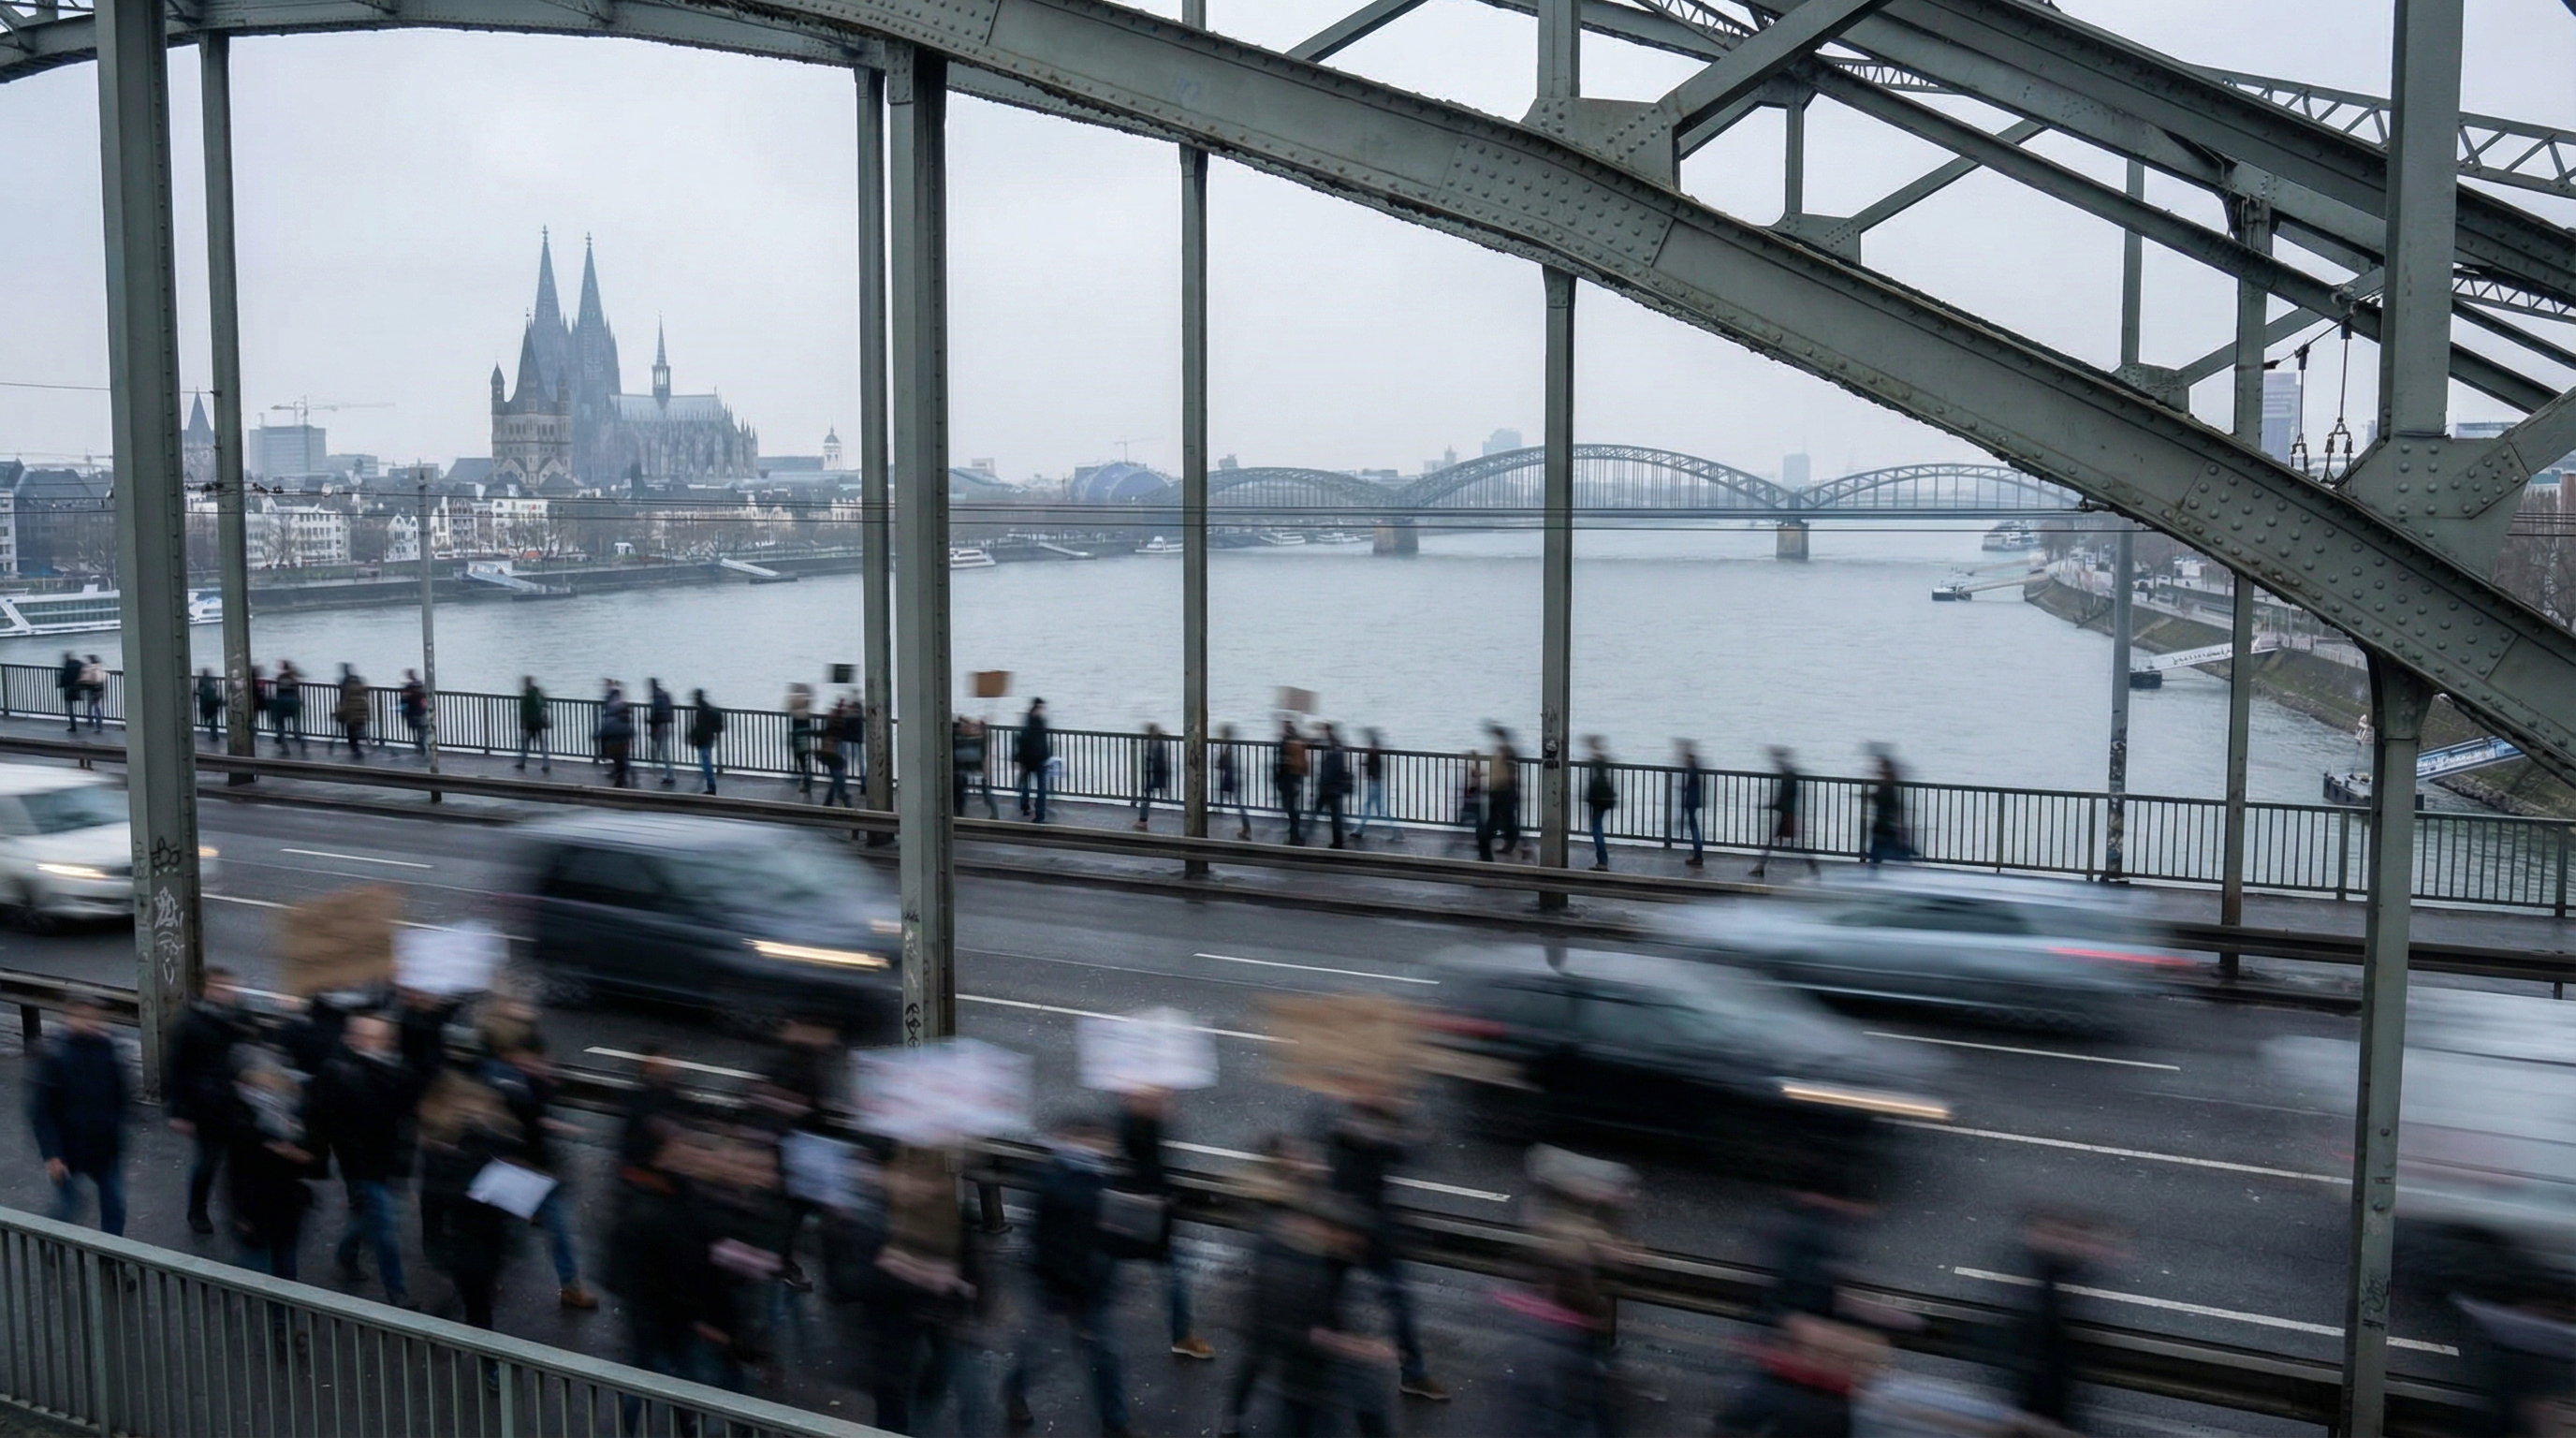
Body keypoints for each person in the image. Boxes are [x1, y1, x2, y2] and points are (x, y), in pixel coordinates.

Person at [1002, 1117, 1129, 1434]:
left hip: (1078, 1285)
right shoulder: (1071, 1182)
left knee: (1093, 1355)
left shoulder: (1079, 1176)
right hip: (1065, 1286)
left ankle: (1115, 1422)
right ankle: (1114, 1423)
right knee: (1067, 1352)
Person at [1319, 1087, 1445, 1401]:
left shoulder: (1344, 1119)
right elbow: (1402, 1150)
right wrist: (1414, 1127)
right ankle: (1413, 1373)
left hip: (1345, 1226)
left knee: (1331, 1297)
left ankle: (1319, 1364)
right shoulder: (1360, 1126)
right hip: (1365, 1229)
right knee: (1397, 1299)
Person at [310, 1014, 423, 1308]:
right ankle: (396, 1291)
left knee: (372, 1217)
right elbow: (333, 1126)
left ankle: (347, 1252)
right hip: (365, 1166)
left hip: (388, 1162)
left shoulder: (396, 1070)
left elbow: (405, 1120)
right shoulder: (344, 1073)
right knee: (385, 1226)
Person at [481, 1032, 597, 1310]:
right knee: (516, 1234)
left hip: (537, 1173)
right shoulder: (508, 1086)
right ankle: (491, 1276)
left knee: (553, 1231)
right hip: (519, 1171)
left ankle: (570, 1286)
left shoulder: (533, 1083)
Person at [1112, 1087, 1215, 1361]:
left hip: (1145, 1211)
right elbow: (1139, 1151)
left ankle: (1182, 1335)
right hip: (1141, 1211)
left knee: (1116, 1267)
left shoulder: (1141, 1120)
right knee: (1173, 1275)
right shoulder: (1131, 1124)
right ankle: (1181, 1336)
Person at [27, 995, 129, 1235]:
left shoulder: (107, 1048)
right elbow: (41, 1112)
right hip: (68, 1149)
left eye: (95, 1018)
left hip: (102, 1146)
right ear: (70, 1019)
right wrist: (52, 1155)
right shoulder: (55, 1057)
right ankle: (51, 1238)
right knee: (70, 1206)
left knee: (114, 1205)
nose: (91, 1023)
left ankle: (111, 1259)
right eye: (84, 1018)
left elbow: (119, 1095)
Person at [168, 967, 253, 1236]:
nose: (226, 993)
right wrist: (179, 1112)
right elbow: (177, 1069)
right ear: (206, 988)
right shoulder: (191, 1024)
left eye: (229, 987)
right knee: (208, 1161)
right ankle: (197, 1210)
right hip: (207, 1106)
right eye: (220, 987)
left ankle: (238, 1212)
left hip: (236, 1103)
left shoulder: (238, 1016)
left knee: (239, 1163)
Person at [1751, 746, 1819, 880]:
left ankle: (1813, 867)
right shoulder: (1790, 774)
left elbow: (1784, 798)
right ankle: (1760, 867)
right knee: (1790, 842)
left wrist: (1769, 806)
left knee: (1794, 843)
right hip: (1788, 813)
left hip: (1787, 814)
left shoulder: (1787, 777)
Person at [1480, 726, 1522, 862]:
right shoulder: (1502, 751)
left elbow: (1510, 774)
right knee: (1507, 821)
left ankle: (1487, 855)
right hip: (1499, 792)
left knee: (1495, 824)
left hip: (1503, 793)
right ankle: (1512, 845)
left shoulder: (1507, 751)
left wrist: (1502, 785)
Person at [1866, 749, 1913, 865]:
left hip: (1884, 828)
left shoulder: (1888, 789)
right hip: (1882, 828)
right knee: (1878, 856)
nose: (1881, 773)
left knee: (1877, 856)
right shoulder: (1887, 787)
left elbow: (1892, 807)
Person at [1015, 698, 1053, 822]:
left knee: (1026, 784)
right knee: (1041, 788)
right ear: (1038, 708)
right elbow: (1042, 743)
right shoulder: (1039, 723)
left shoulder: (1028, 721)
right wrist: (1047, 756)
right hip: (1038, 759)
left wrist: (1020, 758)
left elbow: (1021, 740)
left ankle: (1025, 806)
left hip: (1028, 759)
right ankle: (1039, 814)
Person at [1584, 735, 1617, 872]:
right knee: (1597, 827)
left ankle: (1602, 861)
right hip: (1603, 799)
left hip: (1598, 800)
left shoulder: (1598, 760)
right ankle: (1602, 861)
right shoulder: (1602, 759)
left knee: (1596, 829)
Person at [1316, 723, 1352, 849]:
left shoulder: (1334, 748)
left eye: (1324, 731)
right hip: (1332, 787)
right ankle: (1339, 840)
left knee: (1333, 816)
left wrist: (1324, 783)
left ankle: (1338, 841)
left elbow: (1332, 769)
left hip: (1330, 788)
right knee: (1335, 815)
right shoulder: (1337, 745)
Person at [1275, 719, 1310, 846]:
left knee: (1290, 807)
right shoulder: (1298, 742)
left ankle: (1294, 836)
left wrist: (1277, 778)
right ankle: (1295, 832)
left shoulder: (1287, 744)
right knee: (1292, 806)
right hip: (1295, 778)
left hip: (1287, 779)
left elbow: (1283, 763)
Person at [1356, 730, 1393, 844]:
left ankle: (1397, 831)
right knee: (1376, 808)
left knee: (1375, 808)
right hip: (1376, 783)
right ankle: (1359, 829)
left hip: (1375, 783)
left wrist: (1366, 768)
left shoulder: (1374, 755)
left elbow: (1373, 769)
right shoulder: (1375, 755)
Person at [1216, 725, 1251, 840]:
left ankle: (1246, 827)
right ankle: (1246, 826)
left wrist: (1221, 759)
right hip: (1233, 777)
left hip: (1232, 778)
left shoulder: (1228, 747)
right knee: (1238, 803)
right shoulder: (1229, 746)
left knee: (1239, 804)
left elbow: (1226, 764)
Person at [1134, 722, 1171, 830]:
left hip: (1154, 774)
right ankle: (1143, 820)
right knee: (1147, 797)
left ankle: (1143, 820)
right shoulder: (1156, 742)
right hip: (1154, 774)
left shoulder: (1157, 744)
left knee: (1146, 797)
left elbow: (1158, 761)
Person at [689, 688, 725, 795]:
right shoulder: (706, 708)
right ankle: (710, 785)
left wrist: (693, 736)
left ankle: (711, 787)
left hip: (704, 739)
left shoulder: (702, 710)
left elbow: (700, 726)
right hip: (707, 738)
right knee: (705, 762)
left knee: (706, 763)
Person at [1676, 740, 1707, 868]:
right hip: (1693, 801)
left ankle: (1698, 854)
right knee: (1692, 825)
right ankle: (1697, 853)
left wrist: (1684, 789)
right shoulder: (1695, 768)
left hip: (1691, 801)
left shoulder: (1693, 769)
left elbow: (1691, 785)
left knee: (1694, 827)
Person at [820, 697, 854, 807]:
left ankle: (835, 798)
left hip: (831, 752)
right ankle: (841, 796)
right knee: (838, 776)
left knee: (837, 776)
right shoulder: (840, 721)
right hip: (833, 752)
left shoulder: (832, 718)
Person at [334, 663, 372, 760]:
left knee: (350, 730)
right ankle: (359, 746)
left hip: (350, 710)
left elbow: (343, 698)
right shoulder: (358, 680)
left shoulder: (345, 683)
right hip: (361, 708)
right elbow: (366, 691)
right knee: (358, 727)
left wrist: (340, 710)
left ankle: (355, 749)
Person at [1451, 751, 1486, 854]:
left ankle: (1457, 839)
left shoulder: (1472, 769)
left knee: (1474, 820)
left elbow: (1474, 780)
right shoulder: (1474, 769)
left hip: (1472, 799)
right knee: (1480, 821)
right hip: (1474, 799)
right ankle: (1480, 842)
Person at [271, 659, 308, 756]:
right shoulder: (293, 679)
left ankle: (284, 748)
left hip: (282, 704)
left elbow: (278, 692)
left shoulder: (280, 677)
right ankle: (301, 740)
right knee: (296, 726)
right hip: (293, 704)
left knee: (280, 726)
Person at [515, 675, 550, 773]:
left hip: (530, 722)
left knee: (526, 744)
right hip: (538, 721)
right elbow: (545, 704)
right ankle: (546, 763)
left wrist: (522, 722)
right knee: (541, 744)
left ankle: (522, 762)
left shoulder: (526, 694)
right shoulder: (537, 692)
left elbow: (523, 710)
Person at [787, 683, 816, 796]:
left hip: (798, 737)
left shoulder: (797, 712)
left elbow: (790, 708)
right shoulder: (806, 711)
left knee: (801, 759)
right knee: (804, 759)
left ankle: (806, 778)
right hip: (805, 736)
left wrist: (795, 696)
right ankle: (807, 778)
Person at [647, 678, 677, 787]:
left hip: (660, 726)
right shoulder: (664, 694)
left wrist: (652, 726)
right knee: (664, 751)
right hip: (666, 724)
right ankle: (667, 773)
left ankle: (669, 775)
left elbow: (656, 714)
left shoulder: (657, 696)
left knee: (663, 751)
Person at [398, 669, 432, 757]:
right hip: (422, 711)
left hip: (412, 712)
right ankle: (423, 745)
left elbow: (404, 700)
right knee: (423, 729)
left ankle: (419, 746)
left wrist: (403, 712)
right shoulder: (421, 686)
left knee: (415, 730)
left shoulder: (408, 687)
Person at [196, 667, 226, 743]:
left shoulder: (202, 680)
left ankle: (212, 733)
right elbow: (216, 689)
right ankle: (214, 734)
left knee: (209, 718)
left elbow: (199, 690)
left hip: (206, 702)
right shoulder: (213, 679)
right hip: (214, 701)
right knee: (213, 718)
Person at [78, 654, 106, 733]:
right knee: (97, 708)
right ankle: (99, 725)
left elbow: (85, 678)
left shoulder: (90, 669)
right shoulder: (100, 669)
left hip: (92, 690)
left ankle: (90, 721)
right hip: (100, 690)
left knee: (90, 706)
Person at [55, 652, 80, 733]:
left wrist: (60, 684)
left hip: (69, 688)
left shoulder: (67, 665)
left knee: (70, 708)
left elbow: (65, 677)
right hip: (76, 687)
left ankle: (73, 726)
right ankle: (89, 722)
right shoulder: (78, 663)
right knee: (74, 707)